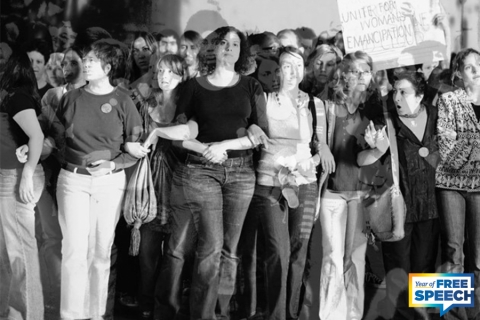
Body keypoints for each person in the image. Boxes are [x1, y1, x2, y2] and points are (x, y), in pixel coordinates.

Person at [149, 26, 267, 320]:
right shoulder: (193, 86)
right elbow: (183, 134)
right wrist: (206, 150)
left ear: (241, 51)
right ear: (212, 48)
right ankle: (199, 314)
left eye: (235, 44)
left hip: (241, 173)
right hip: (200, 172)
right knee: (211, 247)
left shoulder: (251, 87)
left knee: (229, 249)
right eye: (223, 42)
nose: (229, 47)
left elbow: (260, 133)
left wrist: (224, 145)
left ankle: (220, 312)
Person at [55, 38, 143, 320]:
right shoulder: (71, 98)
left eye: (93, 60)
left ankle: (96, 314)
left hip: (109, 183)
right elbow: (56, 138)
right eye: (86, 59)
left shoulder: (123, 100)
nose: (87, 64)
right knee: (73, 250)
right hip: (72, 180)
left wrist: (112, 163)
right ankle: (71, 315)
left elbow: (136, 150)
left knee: (101, 252)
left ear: (108, 66)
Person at [244, 46, 331, 320]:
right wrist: (250, 128)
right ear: (278, 70)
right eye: (285, 66)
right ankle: (275, 315)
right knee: (277, 253)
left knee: (298, 252)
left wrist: (319, 156)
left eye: (296, 66)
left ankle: (291, 313)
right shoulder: (264, 100)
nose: (291, 72)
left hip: (305, 183)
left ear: (303, 70)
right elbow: (248, 130)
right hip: (269, 184)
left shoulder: (315, 104)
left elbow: (320, 144)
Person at [360, 71, 440, 319]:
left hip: (432, 207)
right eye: (395, 91)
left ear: (420, 96)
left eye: (403, 92)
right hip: (398, 208)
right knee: (399, 272)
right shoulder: (386, 121)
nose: (397, 96)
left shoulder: (437, 117)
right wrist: (375, 147)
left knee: (425, 271)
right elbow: (362, 160)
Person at [124, 54, 187, 319]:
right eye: (160, 71)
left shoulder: (189, 104)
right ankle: (146, 300)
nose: (164, 77)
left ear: (182, 76)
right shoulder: (146, 103)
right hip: (148, 182)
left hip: (178, 181)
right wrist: (133, 145)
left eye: (170, 73)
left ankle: (168, 305)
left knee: (176, 251)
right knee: (147, 250)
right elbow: (132, 135)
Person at [318, 51, 381, 320]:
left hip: (361, 192)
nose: (359, 76)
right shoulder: (329, 105)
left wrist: (376, 146)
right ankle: (331, 315)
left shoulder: (376, 108)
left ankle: (353, 315)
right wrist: (321, 145)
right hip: (333, 190)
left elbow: (366, 158)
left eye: (365, 71)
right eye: (353, 71)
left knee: (355, 257)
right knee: (332, 255)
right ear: (344, 75)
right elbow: (317, 138)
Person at [0, 50, 45, 320]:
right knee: (10, 253)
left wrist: (27, 173)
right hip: (7, 175)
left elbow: (36, 136)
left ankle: (31, 315)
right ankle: (13, 314)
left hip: (15, 177)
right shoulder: (12, 97)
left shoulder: (16, 97)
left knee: (21, 253)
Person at [435, 48, 480, 320]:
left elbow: (458, 142)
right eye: (470, 67)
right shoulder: (449, 99)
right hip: (451, 184)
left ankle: (475, 314)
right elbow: (446, 143)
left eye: (479, 64)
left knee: (478, 255)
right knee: (453, 251)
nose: (476, 70)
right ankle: (451, 315)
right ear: (459, 74)